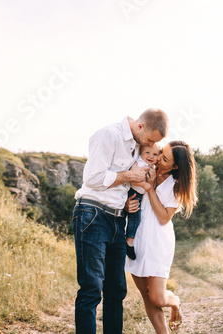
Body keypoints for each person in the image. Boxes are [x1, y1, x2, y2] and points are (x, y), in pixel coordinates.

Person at [72, 108, 169, 334]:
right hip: (92, 215)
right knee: (91, 289)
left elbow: (123, 185)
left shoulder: (137, 145)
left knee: (116, 290)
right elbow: (93, 178)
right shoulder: (109, 135)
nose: (150, 145)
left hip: (117, 220)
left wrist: (127, 200)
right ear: (140, 126)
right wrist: (130, 176)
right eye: (151, 139)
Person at [125, 140, 198, 333]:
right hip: (136, 237)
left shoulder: (176, 186)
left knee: (157, 297)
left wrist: (149, 189)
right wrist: (126, 205)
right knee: (146, 295)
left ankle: (173, 301)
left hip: (158, 242)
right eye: (160, 153)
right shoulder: (144, 165)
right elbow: (124, 192)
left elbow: (164, 217)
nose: (157, 159)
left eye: (164, 159)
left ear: (174, 166)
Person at [125, 144, 161, 260]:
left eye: (155, 154)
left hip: (138, 194)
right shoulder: (140, 164)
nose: (151, 156)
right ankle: (129, 242)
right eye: (147, 153)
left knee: (132, 217)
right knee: (135, 218)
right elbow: (133, 178)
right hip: (133, 193)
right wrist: (145, 185)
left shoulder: (149, 165)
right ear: (141, 153)